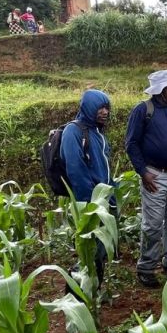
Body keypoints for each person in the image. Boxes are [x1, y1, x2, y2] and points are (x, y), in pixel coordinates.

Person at [124, 70, 167, 288]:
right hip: (156, 176)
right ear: (161, 90)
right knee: (152, 225)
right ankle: (146, 268)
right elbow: (131, 144)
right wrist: (143, 172)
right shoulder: (144, 110)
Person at [60, 89, 114, 282]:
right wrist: (90, 204)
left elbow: (104, 169)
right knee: (89, 250)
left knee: (99, 250)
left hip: (103, 200)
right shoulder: (73, 131)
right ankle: (76, 292)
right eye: (100, 108)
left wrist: (111, 198)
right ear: (88, 108)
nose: (105, 112)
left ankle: (93, 288)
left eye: (107, 108)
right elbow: (75, 170)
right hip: (89, 204)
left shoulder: (97, 133)